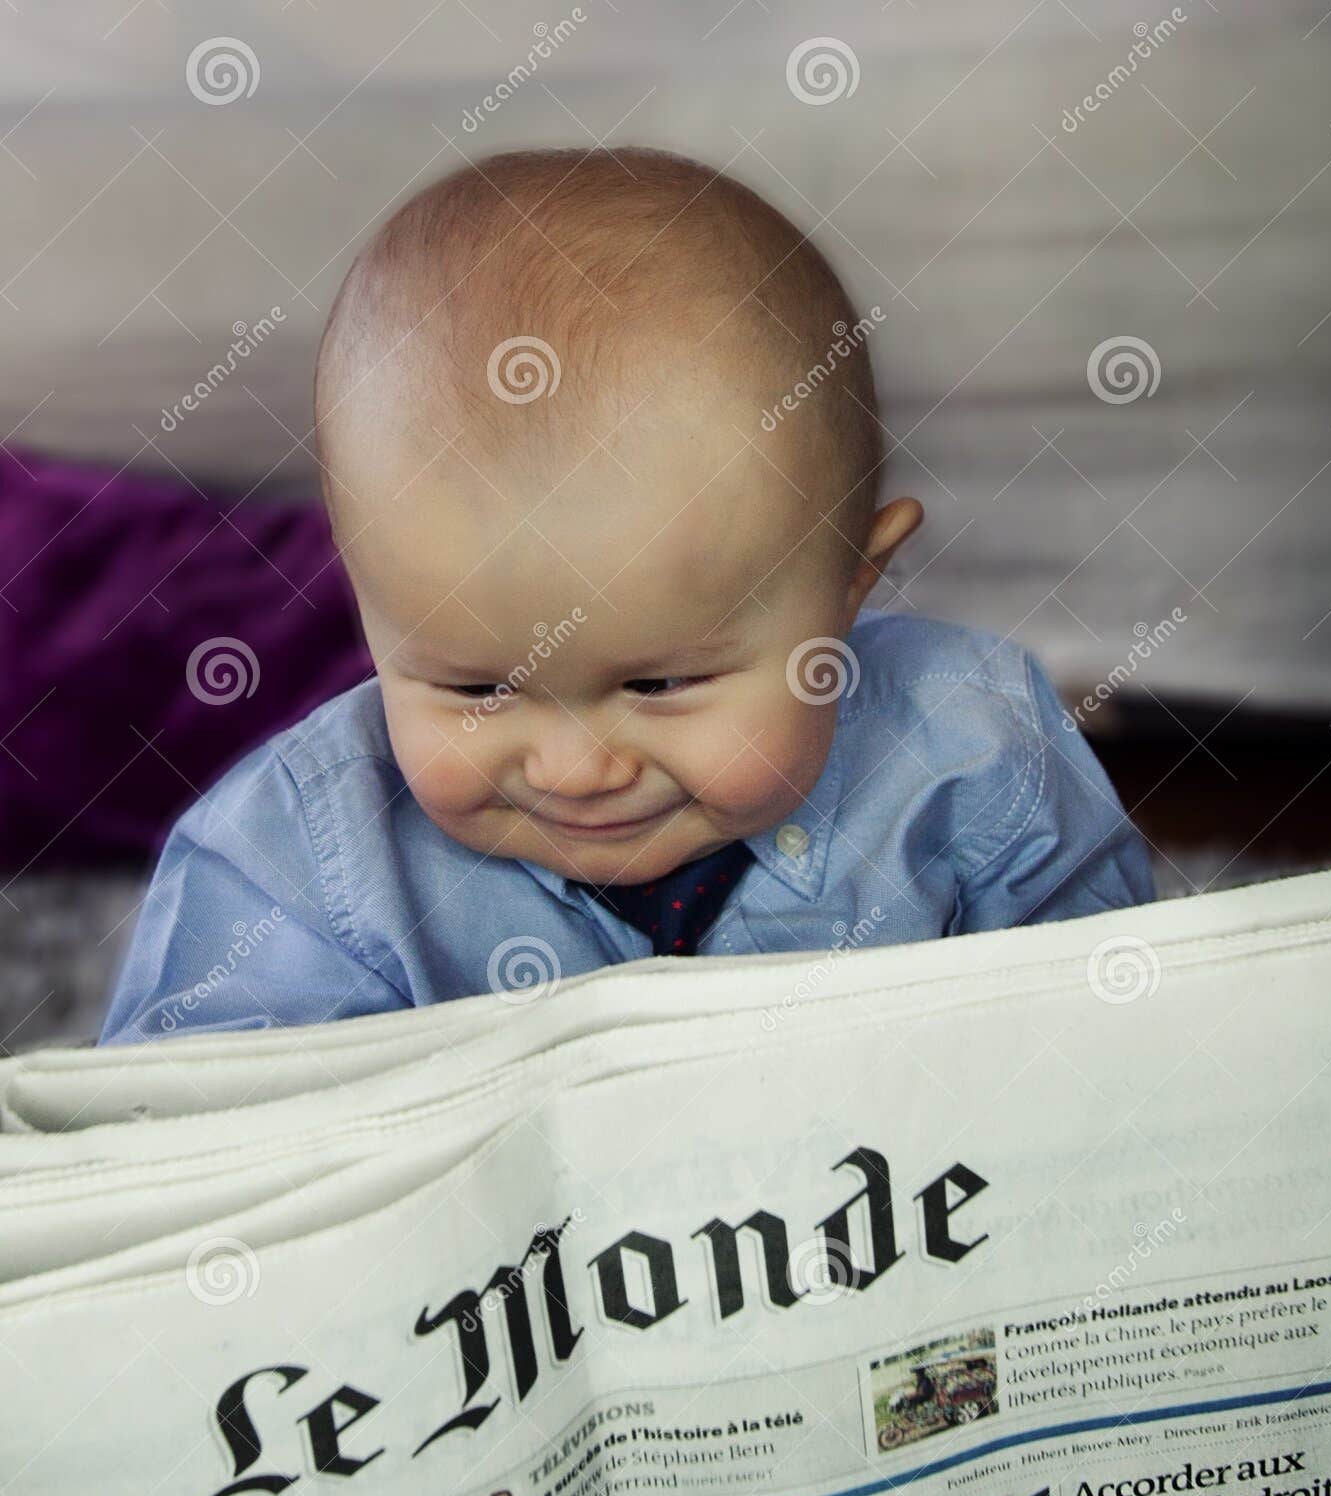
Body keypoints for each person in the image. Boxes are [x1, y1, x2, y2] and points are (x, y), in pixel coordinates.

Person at [97, 146, 1153, 1044]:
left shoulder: (974, 755)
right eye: (475, 684)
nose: (575, 769)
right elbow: (189, 1170)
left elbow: (1127, 1037)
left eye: (659, 681)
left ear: (848, 588)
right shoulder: (287, 867)